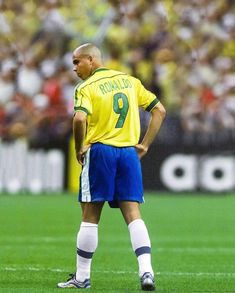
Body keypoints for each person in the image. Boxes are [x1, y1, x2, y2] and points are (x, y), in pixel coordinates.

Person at [57, 43, 166, 291]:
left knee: (90, 215)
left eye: (77, 62)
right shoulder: (130, 81)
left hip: (101, 151)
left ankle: (82, 277)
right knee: (133, 214)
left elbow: (80, 118)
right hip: (128, 152)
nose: (74, 68)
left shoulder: (86, 87)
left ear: (92, 60)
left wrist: (78, 147)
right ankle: (147, 271)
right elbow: (160, 110)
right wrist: (145, 145)